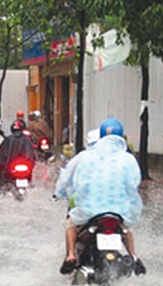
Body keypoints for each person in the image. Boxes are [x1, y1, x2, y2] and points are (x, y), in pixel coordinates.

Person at [55, 118, 145, 276]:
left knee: (70, 224)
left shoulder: (86, 157)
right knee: (126, 229)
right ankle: (134, 256)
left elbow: (68, 180)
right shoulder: (128, 159)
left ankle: (71, 256)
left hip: (90, 211)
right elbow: (134, 184)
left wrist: (60, 193)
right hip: (120, 212)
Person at [0, 119, 36, 188]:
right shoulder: (27, 140)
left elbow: (1, 156)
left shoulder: (8, 140)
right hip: (23, 167)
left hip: (11, 167)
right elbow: (33, 156)